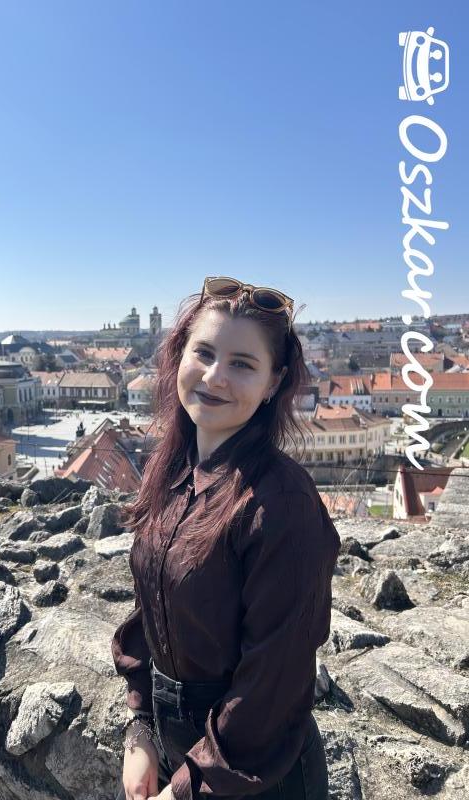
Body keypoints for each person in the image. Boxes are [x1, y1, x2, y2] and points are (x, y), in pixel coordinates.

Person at [111, 276, 341, 800]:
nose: (215, 376)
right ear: (179, 357)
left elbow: (271, 686)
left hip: (255, 776)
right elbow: (154, 610)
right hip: (182, 755)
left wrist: (186, 788)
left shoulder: (281, 503)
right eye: (205, 353)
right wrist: (141, 728)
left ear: (273, 383)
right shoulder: (173, 471)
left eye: (242, 363)